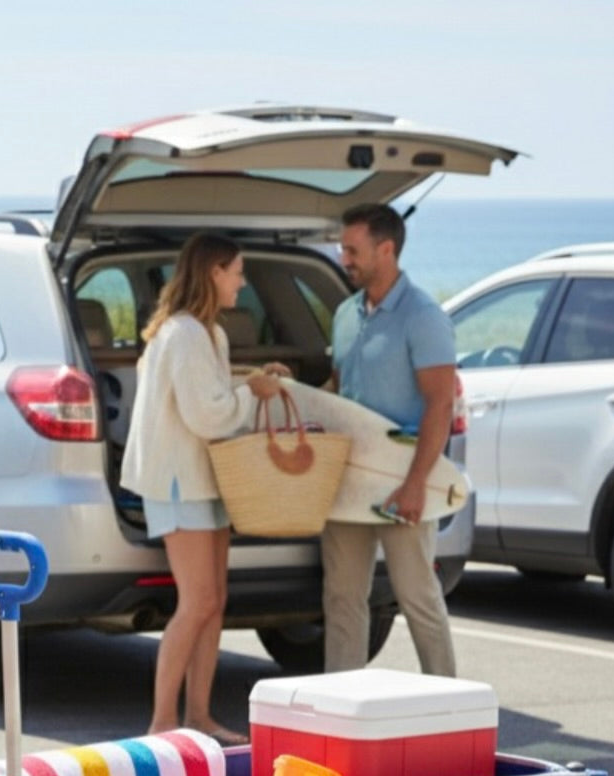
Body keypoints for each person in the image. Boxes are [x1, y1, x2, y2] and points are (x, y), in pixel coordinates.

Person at [121, 232, 285, 743]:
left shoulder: (205, 334)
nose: (242, 281)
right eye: (237, 271)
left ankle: (199, 717)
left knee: (213, 601)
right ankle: (163, 722)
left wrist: (250, 381)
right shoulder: (186, 334)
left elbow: (209, 396)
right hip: (178, 483)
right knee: (196, 602)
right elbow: (208, 414)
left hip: (202, 481)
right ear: (214, 271)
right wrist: (249, 390)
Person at [322, 203, 458, 676]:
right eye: (343, 249)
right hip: (347, 482)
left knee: (417, 596)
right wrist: (287, 396)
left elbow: (442, 403)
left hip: (404, 479)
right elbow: (337, 392)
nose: (345, 259)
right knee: (341, 598)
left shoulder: (424, 316)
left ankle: (448, 705)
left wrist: (417, 482)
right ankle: (341, 708)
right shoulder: (344, 314)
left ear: (387, 249)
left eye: (352, 250)